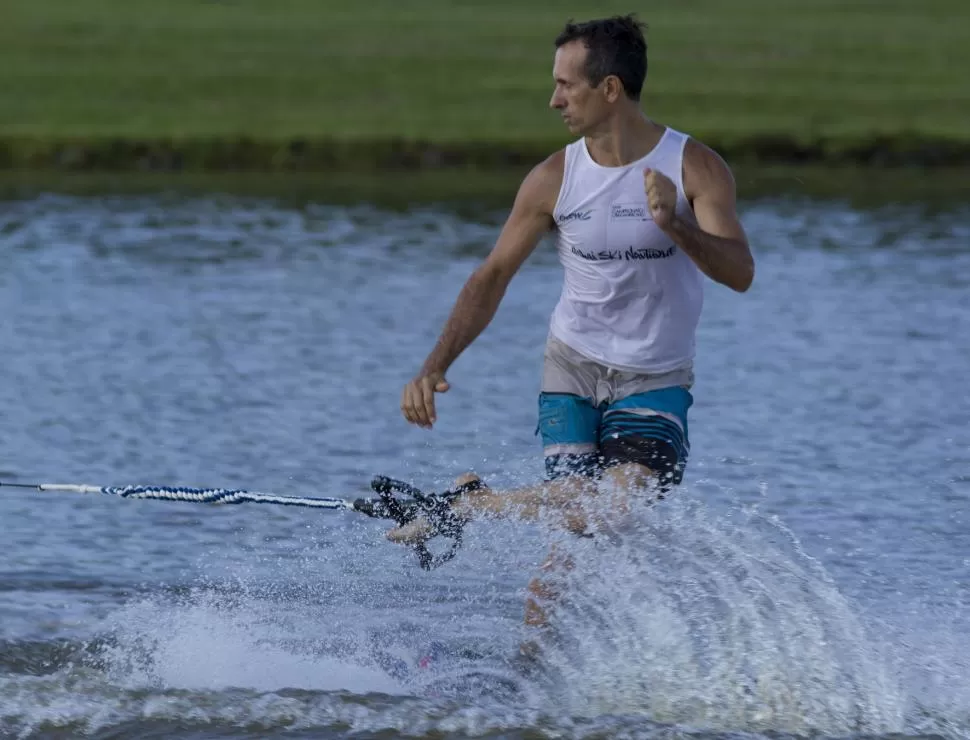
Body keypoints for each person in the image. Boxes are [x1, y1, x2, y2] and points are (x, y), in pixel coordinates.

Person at [393, 14, 754, 637]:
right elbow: (493, 275)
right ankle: (534, 691)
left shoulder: (694, 167)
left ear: (609, 88)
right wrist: (434, 366)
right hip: (571, 368)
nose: (554, 98)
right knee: (572, 540)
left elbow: (740, 272)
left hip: (654, 378)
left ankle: (470, 506)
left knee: (607, 512)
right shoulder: (554, 178)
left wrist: (677, 225)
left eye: (567, 85)